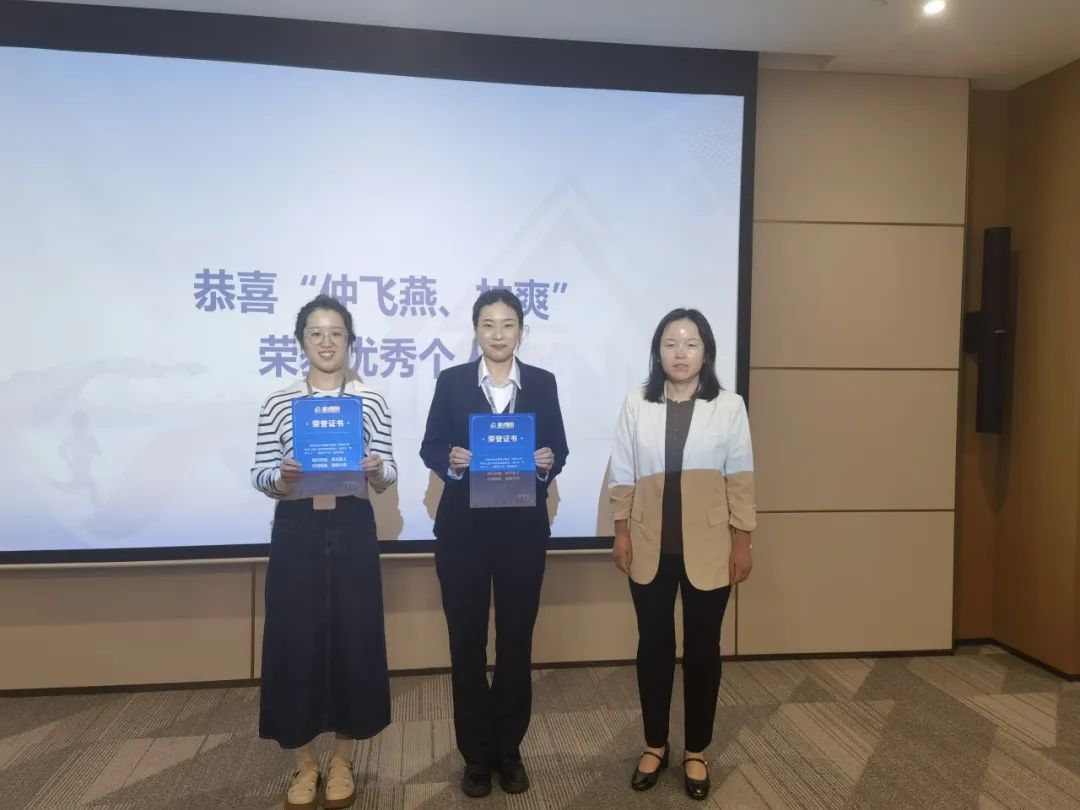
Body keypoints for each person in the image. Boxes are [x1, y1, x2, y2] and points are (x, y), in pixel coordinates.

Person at [420, 289, 569, 798]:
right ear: (476, 331)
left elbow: (559, 448)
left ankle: (509, 749)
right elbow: (431, 445)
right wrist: (452, 462)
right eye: (488, 324)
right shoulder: (453, 381)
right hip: (463, 533)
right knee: (466, 645)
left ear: (521, 330)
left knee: (515, 643)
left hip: (522, 533)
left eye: (507, 324)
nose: (498, 334)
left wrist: (546, 463)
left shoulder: (543, 383)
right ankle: (476, 755)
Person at [250, 295, 397, 810]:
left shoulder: (370, 400)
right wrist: (281, 477)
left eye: (336, 333)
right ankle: (305, 763)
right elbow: (260, 473)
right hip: (298, 528)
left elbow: (388, 473)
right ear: (301, 342)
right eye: (316, 333)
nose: (327, 342)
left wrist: (377, 469)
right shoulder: (279, 402)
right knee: (296, 640)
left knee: (353, 637)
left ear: (349, 341)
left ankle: (342, 761)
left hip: (353, 525)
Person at [608, 307, 755, 801]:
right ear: (658, 351)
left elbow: (741, 477)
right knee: (653, 648)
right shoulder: (637, 403)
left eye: (691, 344)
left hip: (710, 548)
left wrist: (743, 541)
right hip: (648, 544)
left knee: (702, 651)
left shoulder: (729, 406)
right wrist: (620, 531)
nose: (680, 353)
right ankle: (655, 744)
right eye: (671, 343)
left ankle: (696, 749)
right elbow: (623, 472)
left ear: (705, 352)